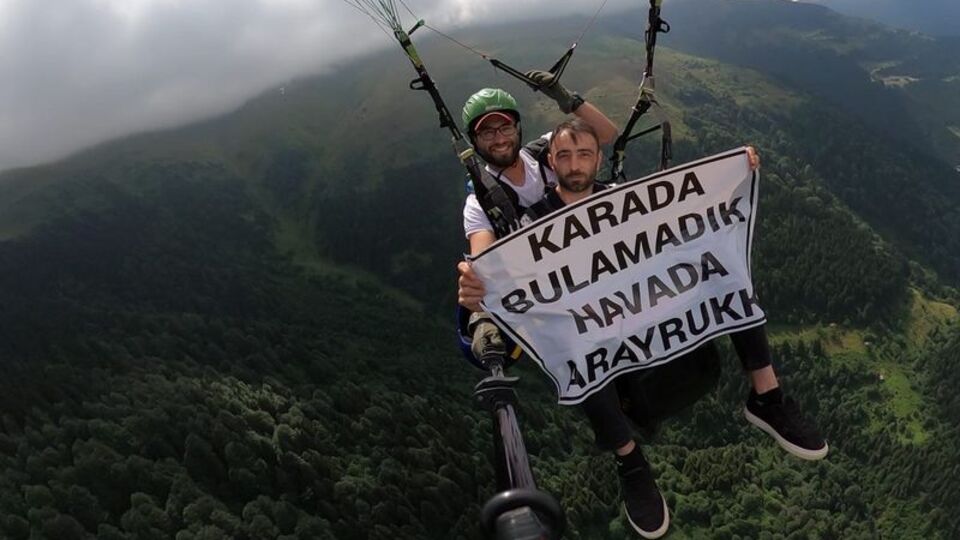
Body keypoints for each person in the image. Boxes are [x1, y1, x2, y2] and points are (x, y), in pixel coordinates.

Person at [459, 118, 828, 539]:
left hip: (647, 307)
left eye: (584, 154)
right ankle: (630, 461)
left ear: (599, 158)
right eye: (564, 155)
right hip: (598, 328)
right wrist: (477, 285)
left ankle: (767, 396)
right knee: (576, 355)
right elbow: (500, 277)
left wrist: (735, 172)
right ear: (551, 163)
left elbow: (694, 219)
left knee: (724, 270)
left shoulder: (624, 200)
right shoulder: (532, 227)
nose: (575, 164)